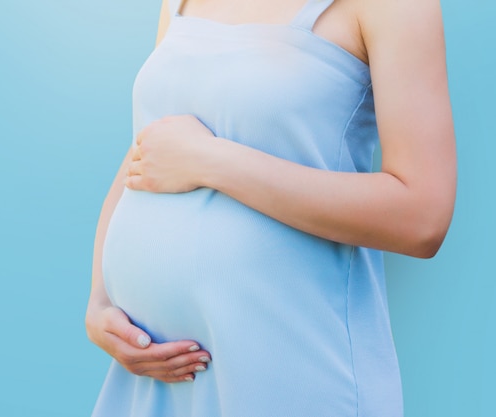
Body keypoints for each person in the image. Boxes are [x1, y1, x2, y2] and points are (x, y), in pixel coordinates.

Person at [86, 0, 456, 415]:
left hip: (287, 373)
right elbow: (151, 146)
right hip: (154, 379)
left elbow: (422, 217)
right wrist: (101, 299)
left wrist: (212, 161)